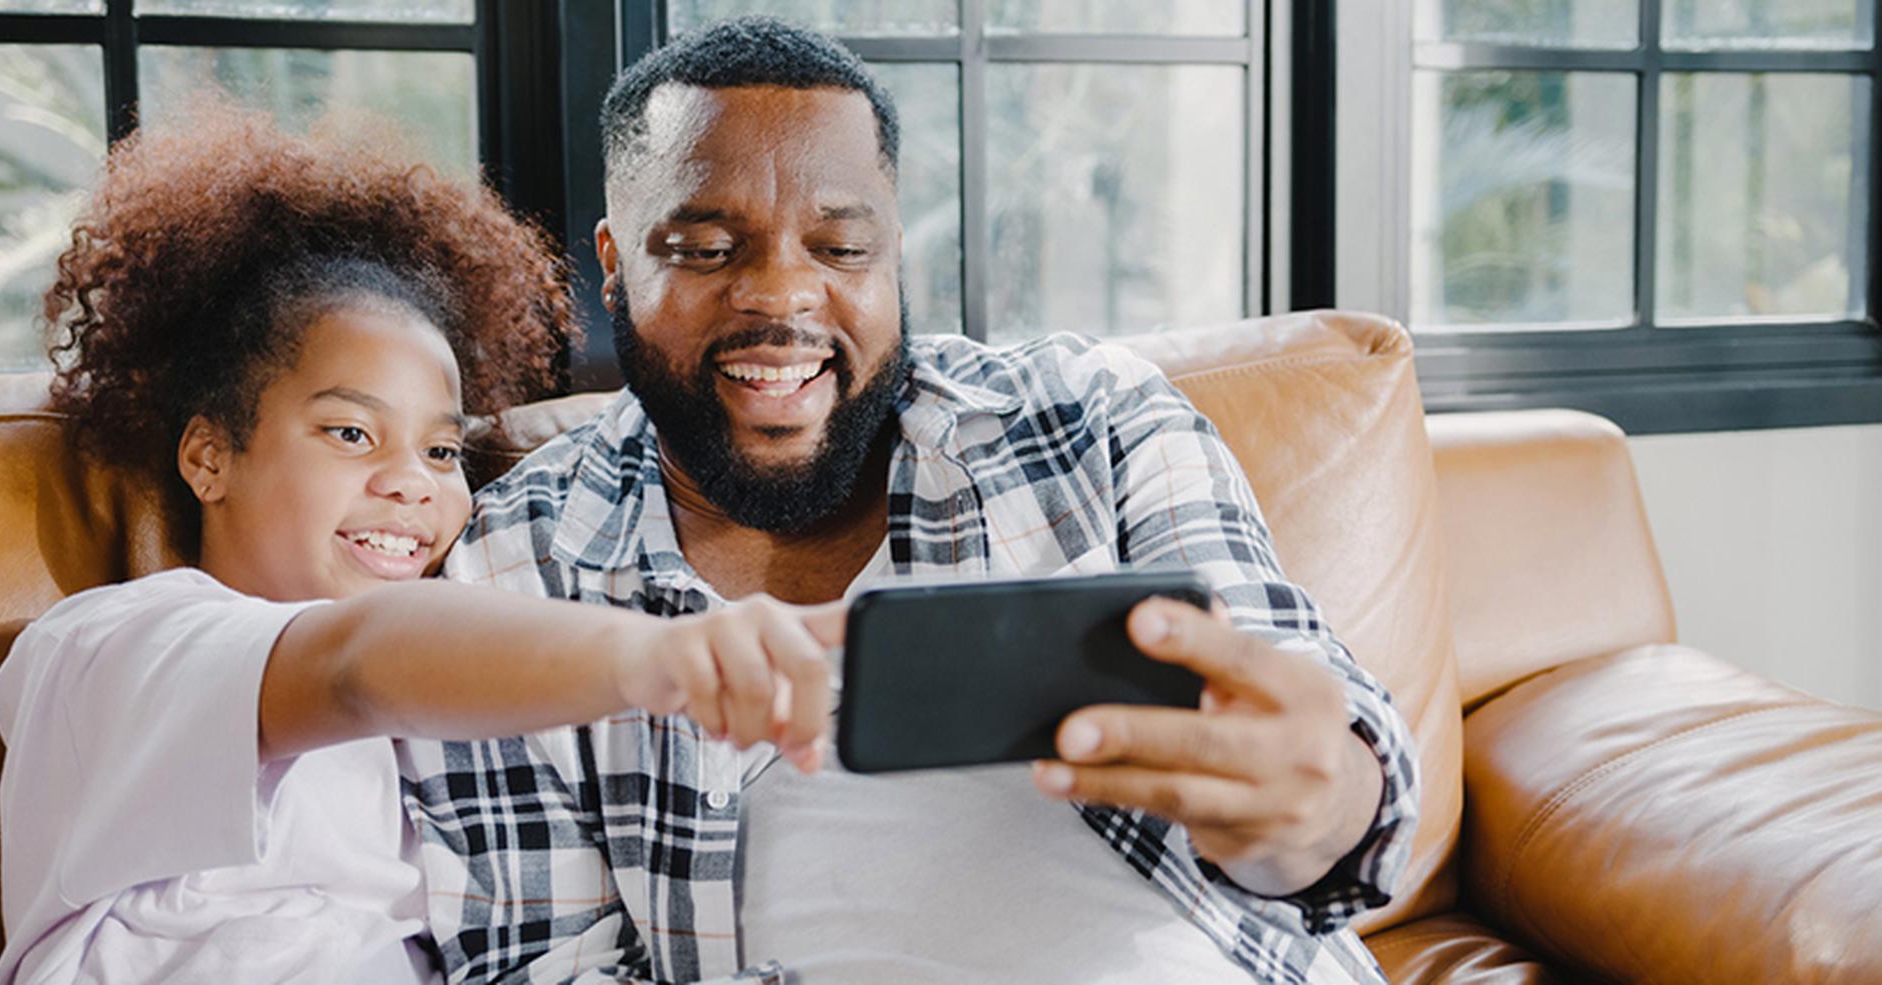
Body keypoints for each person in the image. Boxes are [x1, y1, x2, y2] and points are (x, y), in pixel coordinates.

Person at [403, 16, 1422, 985]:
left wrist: (1312, 794)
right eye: (708, 249)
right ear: (616, 267)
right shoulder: (508, 569)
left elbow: (1332, 771)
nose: (783, 298)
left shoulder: (1092, 419)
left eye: (842, 248)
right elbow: (536, 961)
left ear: (895, 253)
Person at [0, 105, 841, 985]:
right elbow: (356, 667)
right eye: (351, 434)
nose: (415, 483)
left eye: (443, 451)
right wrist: (659, 656)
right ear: (211, 456)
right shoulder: (114, 648)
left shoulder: (444, 756)